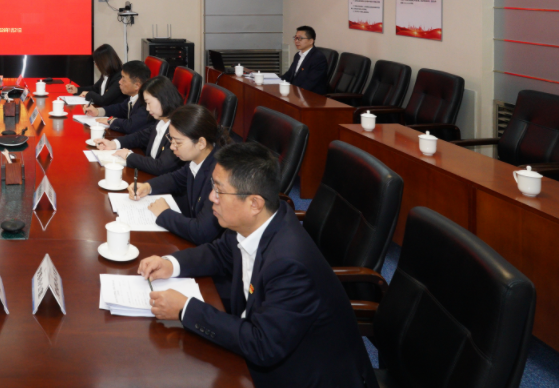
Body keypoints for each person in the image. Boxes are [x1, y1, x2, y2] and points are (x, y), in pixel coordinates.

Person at [138, 142, 376, 388]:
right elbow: (219, 253)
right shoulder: (257, 222)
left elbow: (262, 344)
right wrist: (170, 264)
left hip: (306, 375)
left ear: (255, 203)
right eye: (212, 187)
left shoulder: (289, 265)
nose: (211, 197)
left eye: (219, 191)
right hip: (267, 341)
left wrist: (186, 309)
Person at [123, 104, 223, 244]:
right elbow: (176, 179)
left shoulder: (220, 175)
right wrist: (147, 186)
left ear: (201, 143)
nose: (172, 147)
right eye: (171, 140)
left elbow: (201, 231)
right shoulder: (199, 158)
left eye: (178, 142)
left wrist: (164, 213)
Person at [93, 75, 183, 177]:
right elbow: (140, 137)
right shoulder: (161, 121)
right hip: (149, 176)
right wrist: (113, 144)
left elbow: (160, 167)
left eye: (149, 103)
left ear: (164, 99)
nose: (147, 109)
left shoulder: (179, 129)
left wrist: (129, 156)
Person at [84, 60, 152, 135]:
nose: (119, 82)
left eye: (123, 79)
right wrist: (97, 111)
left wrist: (110, 121)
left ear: (137, 85)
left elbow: (130, 126)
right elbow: (120, 108)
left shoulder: (147, 103)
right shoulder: (133, 97)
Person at [278, 25, 330, 96]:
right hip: (296, 93)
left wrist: (291, 93)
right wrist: (275, 81)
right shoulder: (297, 55)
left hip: (312, 97)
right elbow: (289, 75)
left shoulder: (318, 58)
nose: (296, 41)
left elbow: (310, 83)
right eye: (295, 38)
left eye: (300, 38)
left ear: (311, 41)